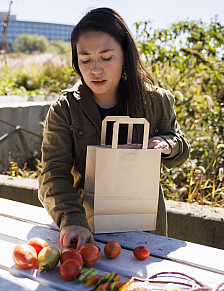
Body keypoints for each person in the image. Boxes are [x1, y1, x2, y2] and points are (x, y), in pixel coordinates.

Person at [37, 8, 190, 250]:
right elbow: (53, 174)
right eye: (85, 60)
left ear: (125, 56)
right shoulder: (65, 109)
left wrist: (168, 144)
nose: (95, 70)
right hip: (87, 234)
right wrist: (72, 220)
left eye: (107, 58)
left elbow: (179, 147)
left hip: (145, 232)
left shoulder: (156, 101)